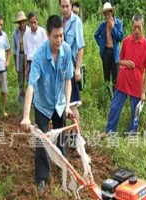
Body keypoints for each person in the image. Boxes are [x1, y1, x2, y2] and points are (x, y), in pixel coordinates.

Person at [21, 15, 73, 193]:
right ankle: (42, 177)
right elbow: (31, 86)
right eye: (56, 36)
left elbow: (68, 80)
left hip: (59, 103)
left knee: (60, 137)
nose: (59, 40)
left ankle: (62, 166)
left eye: (61, 36)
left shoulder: (66, 51)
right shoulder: (39, 56)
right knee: (42, 140)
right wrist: (26, 116)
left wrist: (67, 105)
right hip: (42, 104)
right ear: (48, 35)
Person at [100, 14, 146, 138]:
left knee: (135, 111)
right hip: (123, 80)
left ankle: (132, 134)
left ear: (143, 27)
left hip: (136, 82)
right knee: (115, 106)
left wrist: (143, 92)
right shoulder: (127, 41)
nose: (137, 30)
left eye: (139, 27)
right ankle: (109, 131)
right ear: (131, 26)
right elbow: (119, 60)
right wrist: (126, 63)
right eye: (135, 27)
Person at [59, 0, 84, 130]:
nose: (65, 9)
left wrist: (78, 69)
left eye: (67, 6)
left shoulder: (76, 22)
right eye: (63, 6)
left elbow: (80, 47)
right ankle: (63, 134)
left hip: (71, 65)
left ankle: (77, 136)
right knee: (60, 102)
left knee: (72, 104)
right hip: (59, 66)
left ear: (70, 6)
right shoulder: (59, 21)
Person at [94, 2, 124, 99]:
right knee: (107, 77)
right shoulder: (103, 26)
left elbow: (120, 37)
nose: (107, 16)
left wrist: (113, 28)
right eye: (105, 14)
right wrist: (102, 44)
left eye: (109, 13)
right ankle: (108, 97)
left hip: (115, 53)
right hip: (106, 52)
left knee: (116, 77)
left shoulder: (118, 23)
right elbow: (96, 35)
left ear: (112, 13)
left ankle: (115, 98)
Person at [12, 11, 30, 106]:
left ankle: (30, 98)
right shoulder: (15, 33)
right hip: (20, 56)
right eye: (20, 22)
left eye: (23, 22)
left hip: (28, 56)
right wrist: (15, 63)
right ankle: (21, 99)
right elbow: (14, 50)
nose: (22, 24)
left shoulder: (29, 31)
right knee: (20, 78)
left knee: (29, 77)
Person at [23, 11, 47, 79]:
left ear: (37, 21)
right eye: (31, 22)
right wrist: (26, 69)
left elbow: (45, 49)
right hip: (31, 62)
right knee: (31, 84)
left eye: (34, 22)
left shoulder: (42, 32)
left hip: (41, 61)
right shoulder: (26, 34)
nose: (33, 24)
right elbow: (26, 52)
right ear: (28, 23)